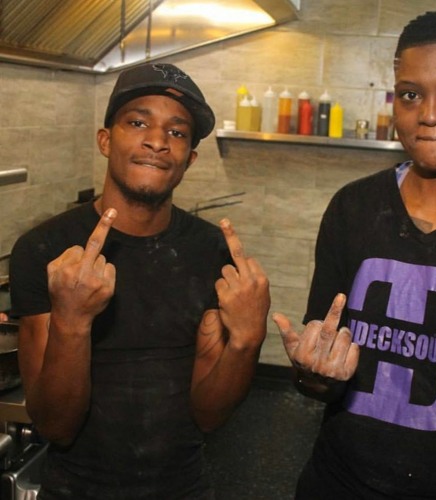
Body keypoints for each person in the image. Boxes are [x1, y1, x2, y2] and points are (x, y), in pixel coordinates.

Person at [9, 62, 270, 499]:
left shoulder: (212, 251)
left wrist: (247, 341)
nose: (157, 141)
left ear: (190, 159)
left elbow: (209, 417)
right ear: (105, 140)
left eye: (177, 132)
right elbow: (55, 426)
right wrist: (72, 322)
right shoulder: (44, 249)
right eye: (137, 123)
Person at [274, 9, 436, 500]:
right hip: (339, 484)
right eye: (411, 94)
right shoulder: (352, 207)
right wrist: (312, 374)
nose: (430, 114)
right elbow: (321, 379)